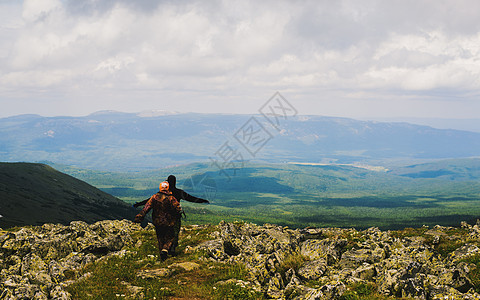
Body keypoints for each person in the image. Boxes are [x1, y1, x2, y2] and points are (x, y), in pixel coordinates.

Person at [133, 175, 209, 255]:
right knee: (173, 234)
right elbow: (191, 198)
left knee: (161, 235)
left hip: (158, 218)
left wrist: (138, 204)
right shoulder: (178, 192)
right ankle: (171, 249)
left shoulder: (158, 195)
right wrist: (202, 200)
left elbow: (148, 202)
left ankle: (163, 251)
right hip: (174, 218)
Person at [134, 181, 182, 260]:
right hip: (169, 222)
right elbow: (178, 209)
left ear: (160, 188)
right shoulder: (171, 198)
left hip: (157, 221)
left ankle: (162, 256)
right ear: (168, 188)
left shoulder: (154, 197)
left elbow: (146, 208)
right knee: (170, 237)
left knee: (160, 237)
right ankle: (165, 249)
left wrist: (139, 217)